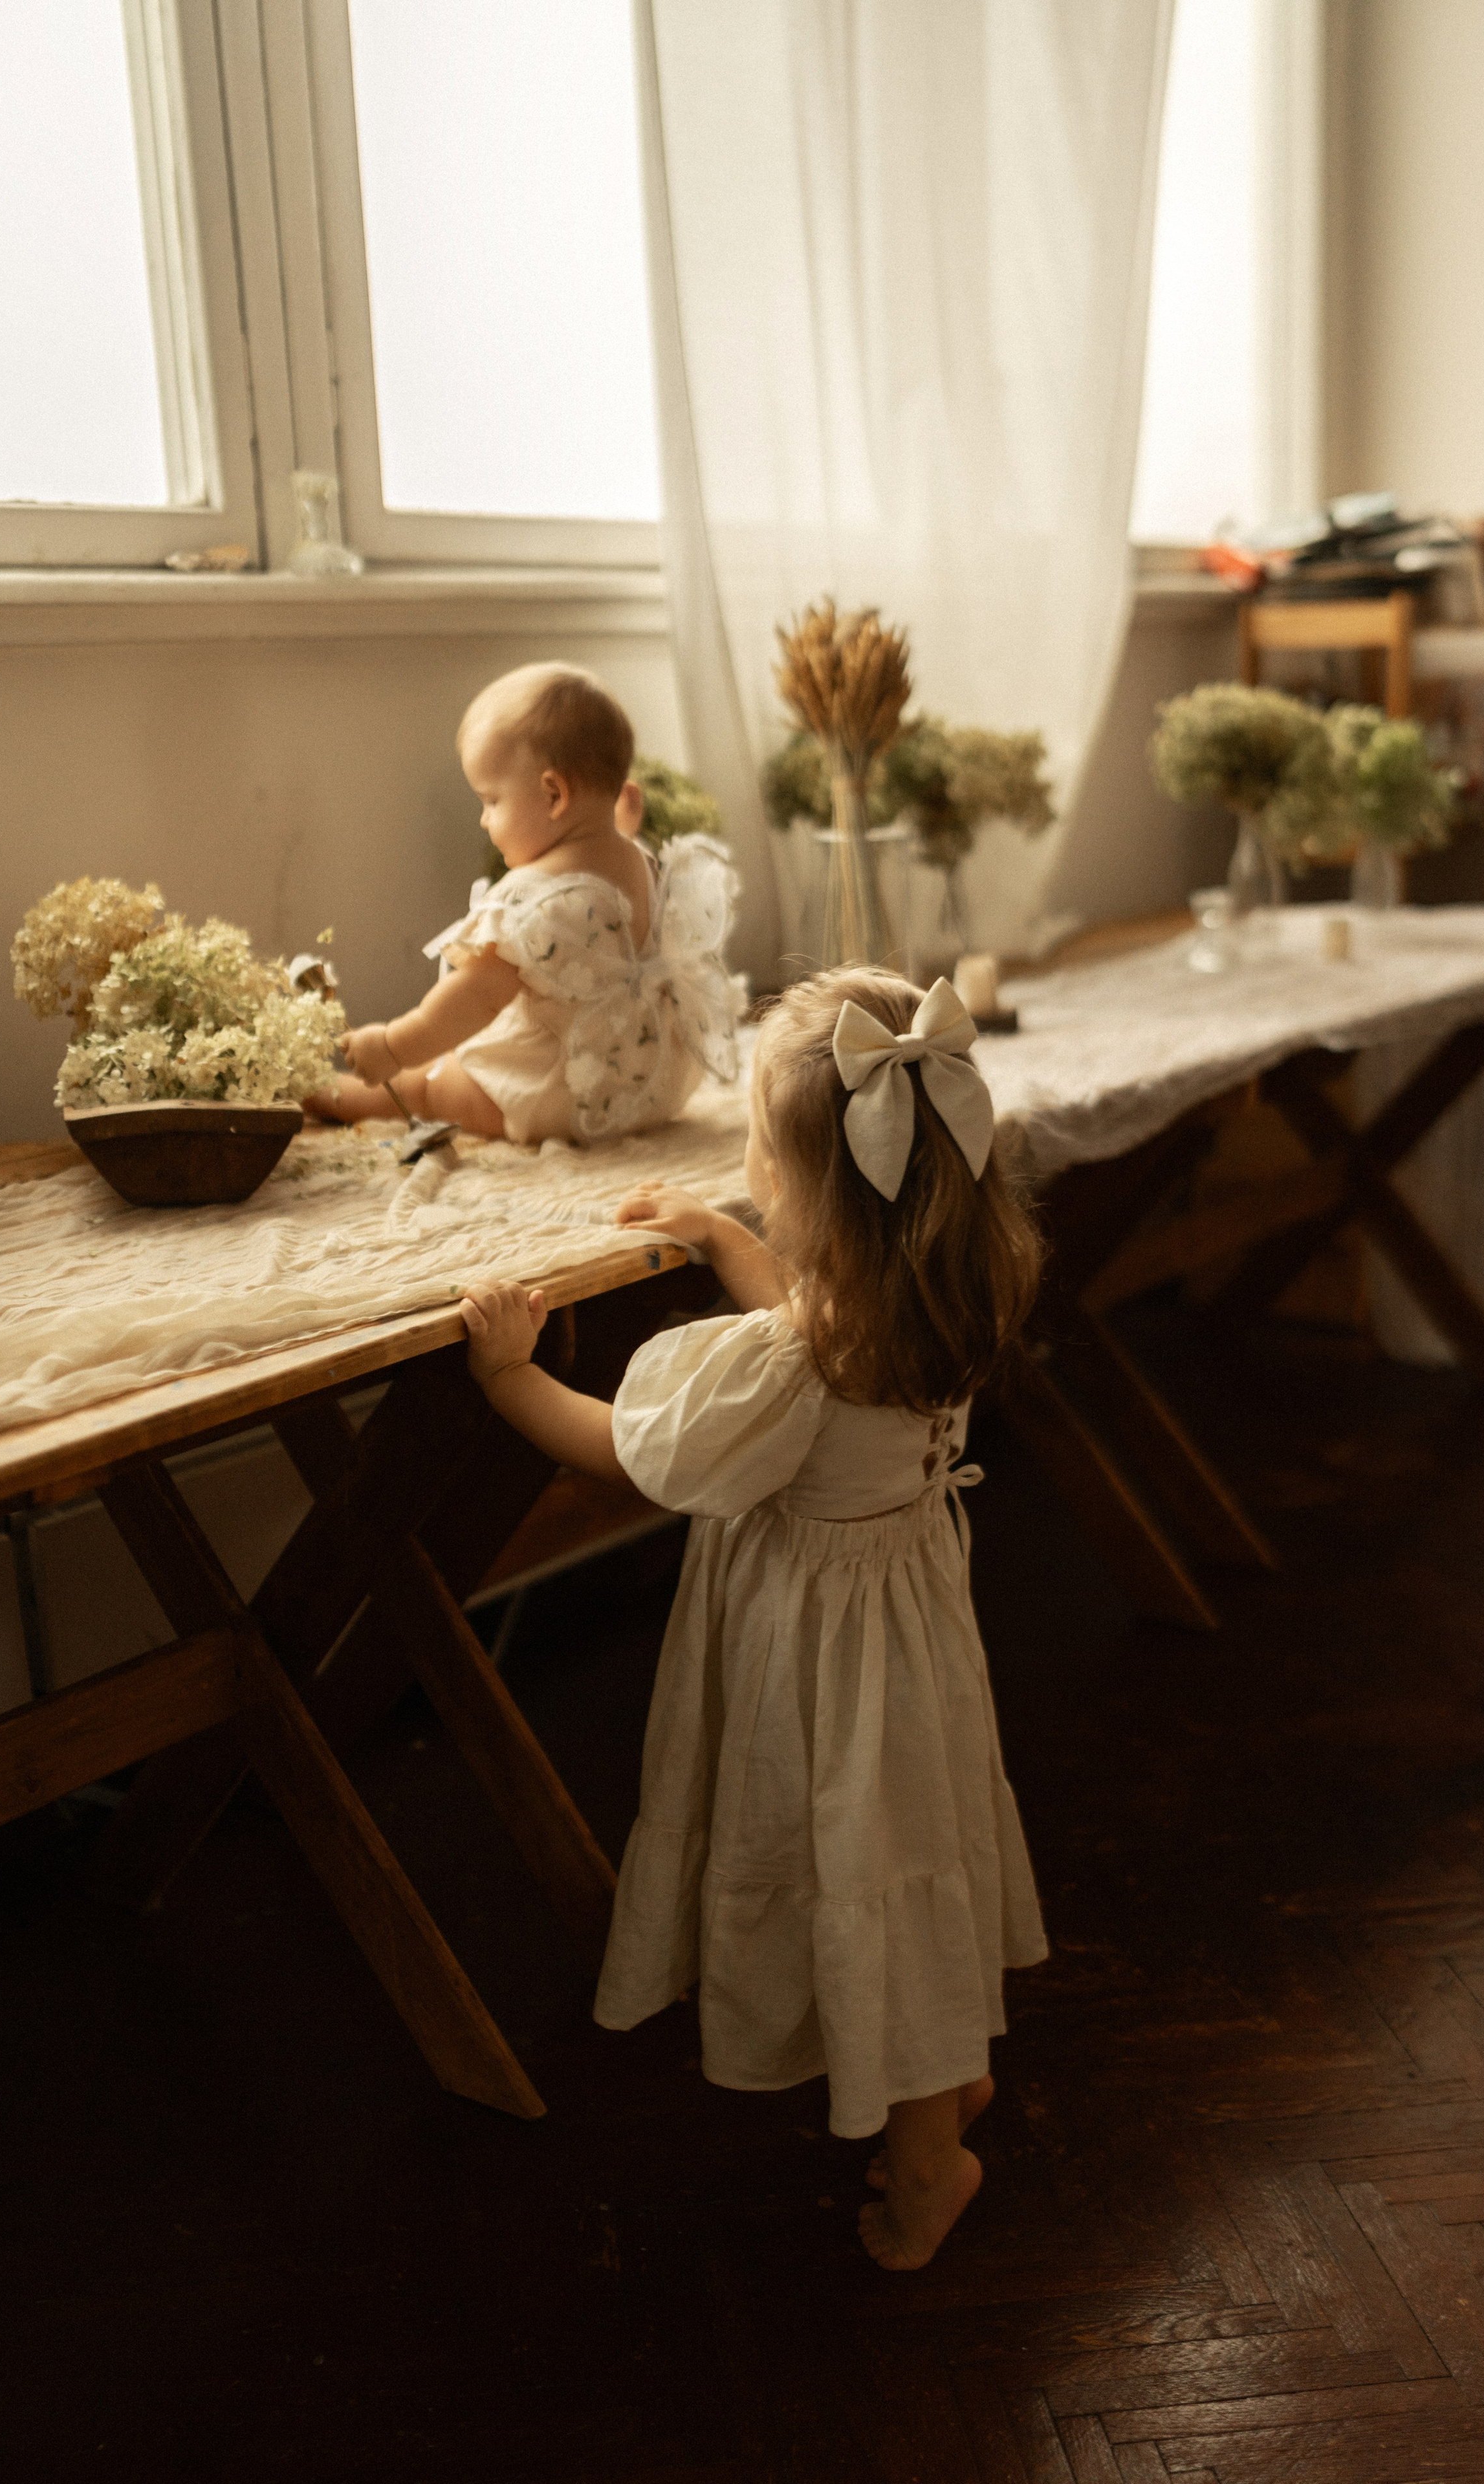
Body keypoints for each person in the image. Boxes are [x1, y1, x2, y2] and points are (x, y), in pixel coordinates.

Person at [458, 969, 1048, 2269]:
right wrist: (726, 1243)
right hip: (912, 1642)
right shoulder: (939, 1293)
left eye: (757, 1165)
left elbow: (627, 1449)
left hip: (820, 1666)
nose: (750, 1178)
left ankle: (926, 2164)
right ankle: (943, 2081)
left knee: (855, 1875)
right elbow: (818, 1322)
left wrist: (509, 1377)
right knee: (907, 1857)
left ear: (811, 1192)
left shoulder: (797, 1357)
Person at [307, 662, 741, 1142]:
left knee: (427, 1083)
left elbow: (472, 1001)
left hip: (564, 1097)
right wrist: (622, 825)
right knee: (464, 1052)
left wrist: (393, 1045)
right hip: (649, 1085)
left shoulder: (533, 901)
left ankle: (324, 1094)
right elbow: (606, 913)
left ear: (554, 795)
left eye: (491, 800)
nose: (483, 820)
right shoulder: (638, 862)